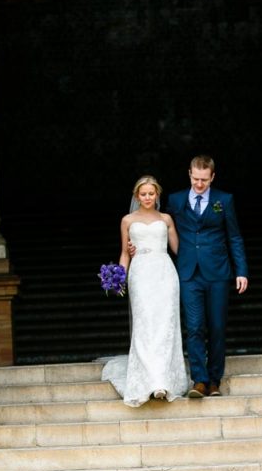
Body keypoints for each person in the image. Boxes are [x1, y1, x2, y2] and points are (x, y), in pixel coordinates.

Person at [101, 176, 190, 406]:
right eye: (143, 194)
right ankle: (148, 380)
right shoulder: (127, 220)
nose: (148, 198)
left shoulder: (166, 219)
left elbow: (179, 249)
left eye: (151, 193)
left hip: (165, 273)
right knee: (145, 325)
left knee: (165, 325)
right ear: (136, 196)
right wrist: (118, 278)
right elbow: (124, 252)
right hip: (140, 273)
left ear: (157, 195)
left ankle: (162, 381)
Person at [166, 155, 248, 397]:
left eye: (204, 180)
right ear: (189, 174)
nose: (199, 184)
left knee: (217, 327)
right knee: (194, 327)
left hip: (218, 273)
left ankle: (214, 380)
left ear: (212, 177)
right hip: (188, 272)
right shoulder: (176, 200)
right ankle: (199, 380)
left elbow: (234, 236)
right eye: (195, 179)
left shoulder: (224, 200)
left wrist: (241, 270)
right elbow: (163, 228)